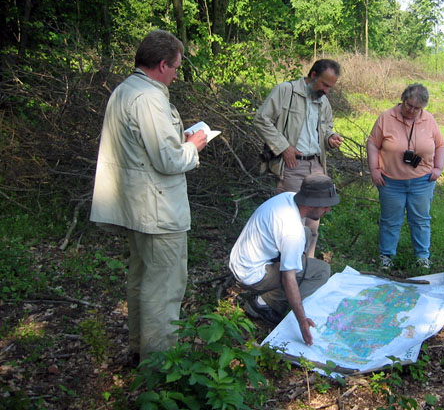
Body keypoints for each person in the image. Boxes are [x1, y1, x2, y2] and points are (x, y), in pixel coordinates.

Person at [90, 30, 208, 362]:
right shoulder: (151, 98)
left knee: (142, 281)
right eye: (175, 68)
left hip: (136, 206)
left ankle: (138, 350)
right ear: (161, 64)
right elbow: (169, 160)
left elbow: (142, 146)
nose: (175, 75)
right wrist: (193, 146)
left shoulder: (124, 91)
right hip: (159, 212)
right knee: (164, 290)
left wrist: (177, 138)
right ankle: (158, 370)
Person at [229, 174, 340, 345]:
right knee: (321, 271)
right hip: (251, 274)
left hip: (242, 260)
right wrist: (302, 322)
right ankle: (265, 303)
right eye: (326, 206)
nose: (328, 210)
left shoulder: (287, 198)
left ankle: (271, 291)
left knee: (307, 233)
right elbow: (289, 278)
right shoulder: (291, 232)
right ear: (312, 204)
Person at [253, 59, 343, 258]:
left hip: (317, 166)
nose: (327, 91)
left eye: (331, 87)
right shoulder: (286, 91)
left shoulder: (323, 100)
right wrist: (284, 147)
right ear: (312, 75)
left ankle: (307, 266)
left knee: (314, 223)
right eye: (325, 85)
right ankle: (287, 271)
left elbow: (326, 128)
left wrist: (331, 138)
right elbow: (261, 119)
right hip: (293, 165)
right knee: (293, 224)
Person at [367, 84, 444, 270]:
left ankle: (422, 257)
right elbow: (372, 143)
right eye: (408, 105)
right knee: (390, 220)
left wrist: (438, 167)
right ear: (402, 100)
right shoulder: (386, 117)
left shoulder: (429, 120)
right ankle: (386, 256)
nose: (411, 111)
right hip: (390, 181)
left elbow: (440, 144)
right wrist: (374, 169)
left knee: (420, 219)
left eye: (417, 108)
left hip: (422, 181)